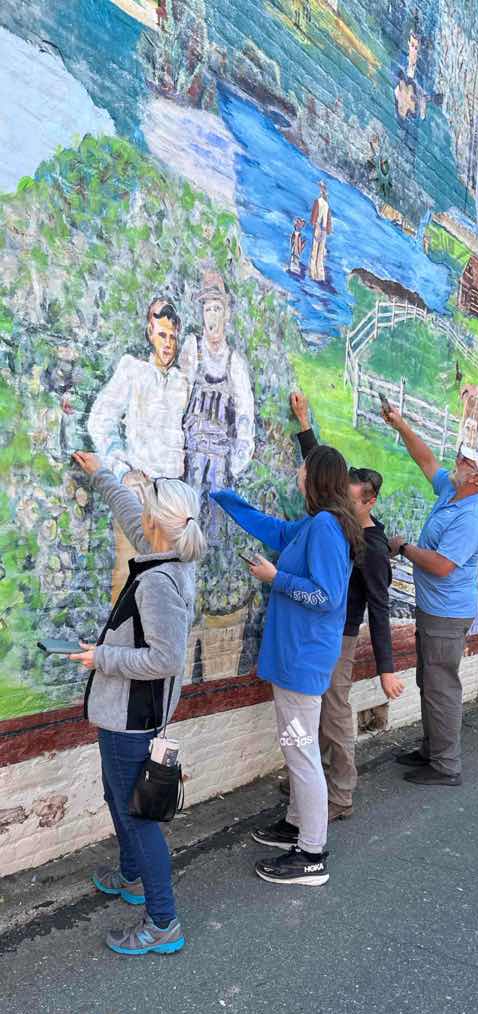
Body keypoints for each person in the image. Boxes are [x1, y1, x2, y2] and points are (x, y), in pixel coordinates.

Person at [70, 451, 206, 956]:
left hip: (133, 718)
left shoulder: (158, 582)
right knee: (117, 799)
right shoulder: (167, 553)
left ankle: (163, 922)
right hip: (124, 713)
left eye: (145, 508)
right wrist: (101, 474)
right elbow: (130, 512)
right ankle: (131, 877)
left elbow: (166, 659)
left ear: (156, 524)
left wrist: (101, 657)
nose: (138, 514)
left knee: (139, 820)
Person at [211, 445, 365, 886]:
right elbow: (276, 532)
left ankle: (312, 854)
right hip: (295, 659)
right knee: (298, 748)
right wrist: (226, 499)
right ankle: (296, 824)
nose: (296, 474)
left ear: (315, 478)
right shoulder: (315, 524)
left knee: (301, 754)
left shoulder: (325, 527)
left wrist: (275, 578)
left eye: (302, 470)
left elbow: (326, 597)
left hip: (303, 662)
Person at [260, 391, 404, 827]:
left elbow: (379, 609)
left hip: (334, 640)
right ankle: (306, 791)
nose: (342, 500)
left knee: (334, 714)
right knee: (305, 726)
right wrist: (305, 425)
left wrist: (387, 667)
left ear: (369, 501)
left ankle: (336, 795)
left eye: (352, 498)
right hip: (313, 638)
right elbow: (321, 474)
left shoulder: (371, 545)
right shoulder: (336, 522)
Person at [382, 406, 478, 785]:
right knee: (429, 680)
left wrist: (402, 548)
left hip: (447, 614)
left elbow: (442, 565)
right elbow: (426, 459)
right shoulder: (453, 489)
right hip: (435, 609)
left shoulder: (474, 514)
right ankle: (431, 750)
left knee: (442, 686)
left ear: (476, 479)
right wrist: (401, 424)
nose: (457, 459)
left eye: (464, 460)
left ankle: (446, 766)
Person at [87, 297, 187, 601]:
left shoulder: (183, 381)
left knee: (166, 587)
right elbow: (99, 420)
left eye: (172, 337)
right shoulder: (133, 371)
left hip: (172, 502)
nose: (167, 344)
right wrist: (122, 470)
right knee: (129, 580)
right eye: (161, 335)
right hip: (139, 497)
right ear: (149, 332)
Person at [179, 270, 255, 522]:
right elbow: (176, 402)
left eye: (217, 309)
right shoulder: (192, 349)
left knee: (214, 529)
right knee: (184, 523)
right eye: (208, 309)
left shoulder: (235, 363)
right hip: (191, 457)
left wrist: (236, 464)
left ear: (227, 314)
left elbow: (245, 419)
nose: (212, 316)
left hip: (220, 463)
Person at [309, 181, 332, 283]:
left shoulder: (321, 202)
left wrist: (324, 229)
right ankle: (317, 274)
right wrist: (325, 230)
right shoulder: (323, 203)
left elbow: (317, 218)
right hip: (321, 229)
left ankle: (316, 274)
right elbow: (325, 220)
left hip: (321, 228)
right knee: (318, 251)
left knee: (317, 251)